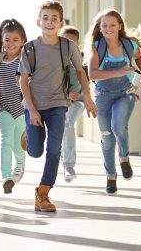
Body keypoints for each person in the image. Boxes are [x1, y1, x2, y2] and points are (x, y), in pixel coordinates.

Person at [19, 0, 97, 212]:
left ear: (61, 23)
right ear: (38, 21)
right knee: (35, 151)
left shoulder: (68, 46)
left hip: (58, 104)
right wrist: (32, 110)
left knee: (54, 148)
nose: (50, 22)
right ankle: (29, 133)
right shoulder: (30, 48)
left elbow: (81, 72)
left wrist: (88, 97)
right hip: (34, 104)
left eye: (54, 18)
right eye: (46, 18)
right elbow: (22, 80)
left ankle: (43, 193)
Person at [86, 9, 141, 195]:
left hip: (126, 91)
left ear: (120, 26)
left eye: (112, 25)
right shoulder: (97, 47)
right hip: (103, 95)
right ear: (100, 27)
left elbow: (140, 58)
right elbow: (92, 74)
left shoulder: (129, 44)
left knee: (118, 125)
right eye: (104, 25)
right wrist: (118, 71)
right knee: (106, 136)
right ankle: (111, 176)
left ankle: (124, 157)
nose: (108, 28)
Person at [0, 19, 27, 194]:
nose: (11, 44)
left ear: (23, 41)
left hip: (22, 108)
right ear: (2, 41)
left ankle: (20, 160)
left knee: (18, 145)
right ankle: (6, 177)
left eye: (15, 40)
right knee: (5, 141)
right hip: (3, 107)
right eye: (7, 40)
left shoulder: (26, 59)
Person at [59, 25, 86, 182]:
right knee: (59, 127)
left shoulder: (82, 59)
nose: (70, 45)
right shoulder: (54, 58)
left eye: (73, 42)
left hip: (78, 101)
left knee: (68, 123)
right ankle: (60, 156)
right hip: (58, 100)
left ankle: (68, 165)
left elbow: (84, 82)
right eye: (66, 41)